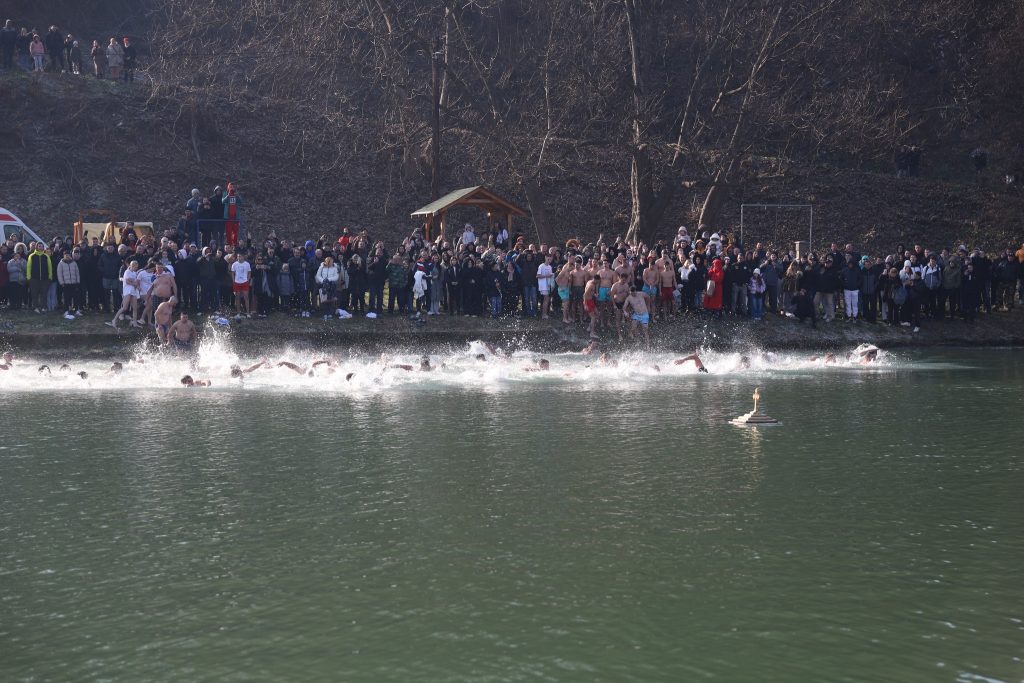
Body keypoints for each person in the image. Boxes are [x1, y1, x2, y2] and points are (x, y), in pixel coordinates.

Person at [108, 260, 142, 328]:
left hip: (133, 291)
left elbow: (134, 281)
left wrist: (134, 283)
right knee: (124, 307)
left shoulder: (134, 273)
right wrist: (134, 283)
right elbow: (127, 281)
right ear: (132, 266)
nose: (136, 268)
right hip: (127, 291)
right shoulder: (127, 271)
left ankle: (135, 323)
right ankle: (114, 320)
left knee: (135, 308)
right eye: (135, 267)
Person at [26, 243, 52, 312]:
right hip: (34, 279)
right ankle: (35, 307)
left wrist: (50, 277)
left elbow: (49, 267)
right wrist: (29, 277)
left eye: (42, 246)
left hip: (45, 279)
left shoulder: (46, 256)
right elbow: (28, 267)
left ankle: (43, 307)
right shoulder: (31, 256)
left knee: (44, 294)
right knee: (34, 294)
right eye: (39, 246)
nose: (40, 247)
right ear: (36, 247)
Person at [230, 251, 252, 317]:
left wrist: (247, 280)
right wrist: (234, 281)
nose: (239, 257)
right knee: (237, 298)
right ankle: (238, 313)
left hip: (245, 282)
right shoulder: (234, 264)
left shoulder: (247, 264)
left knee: (246, 297)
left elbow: (249, 272)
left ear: (243, 257)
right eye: (238, 256)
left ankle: (248, 313)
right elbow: (232, 273)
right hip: (237, 282)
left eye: (240, 256)